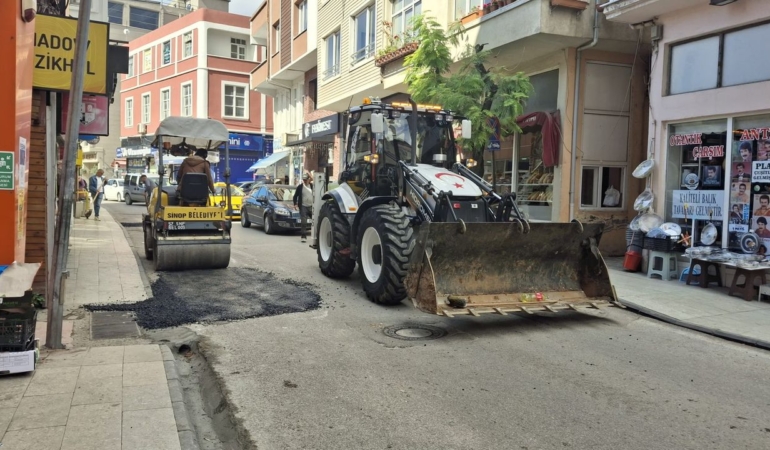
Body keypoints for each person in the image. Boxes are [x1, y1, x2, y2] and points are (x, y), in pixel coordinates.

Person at [293, 173, 313, 243]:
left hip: (311, 206)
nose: (304, 181)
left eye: (306, 180)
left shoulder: (312, 186)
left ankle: (317, 235)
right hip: (303, 206)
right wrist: (295, 204)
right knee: (304, 222)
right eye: (303, 180)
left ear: (308, 180)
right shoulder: (300, 187)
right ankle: (303, 236)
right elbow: (295, 196)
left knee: (315, 221)